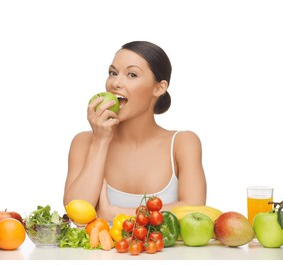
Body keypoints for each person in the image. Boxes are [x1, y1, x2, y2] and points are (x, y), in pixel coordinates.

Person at [63, 41, 206, 222]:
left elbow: (194, 209)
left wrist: (118, 215)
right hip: (101, 252)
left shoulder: (183, 143)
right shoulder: (84, 142)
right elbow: (76, 213)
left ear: (159, 88)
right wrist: (100, 141)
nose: (115, 82)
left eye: (131, 74)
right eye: (113, 73)